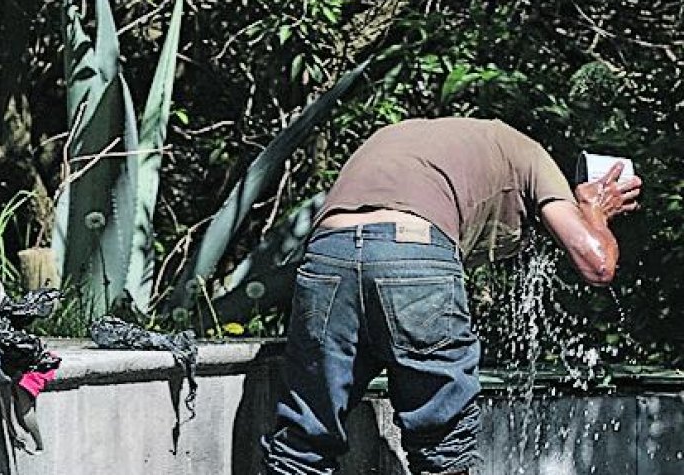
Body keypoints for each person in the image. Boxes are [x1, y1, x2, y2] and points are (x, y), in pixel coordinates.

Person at [261, 117, 642, 475]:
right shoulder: (533, 158)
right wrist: (593, 211)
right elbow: (597, 265)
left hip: (328, 253)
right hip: (414, 249)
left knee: (305, 440)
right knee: (444, 448)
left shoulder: (425, 140)